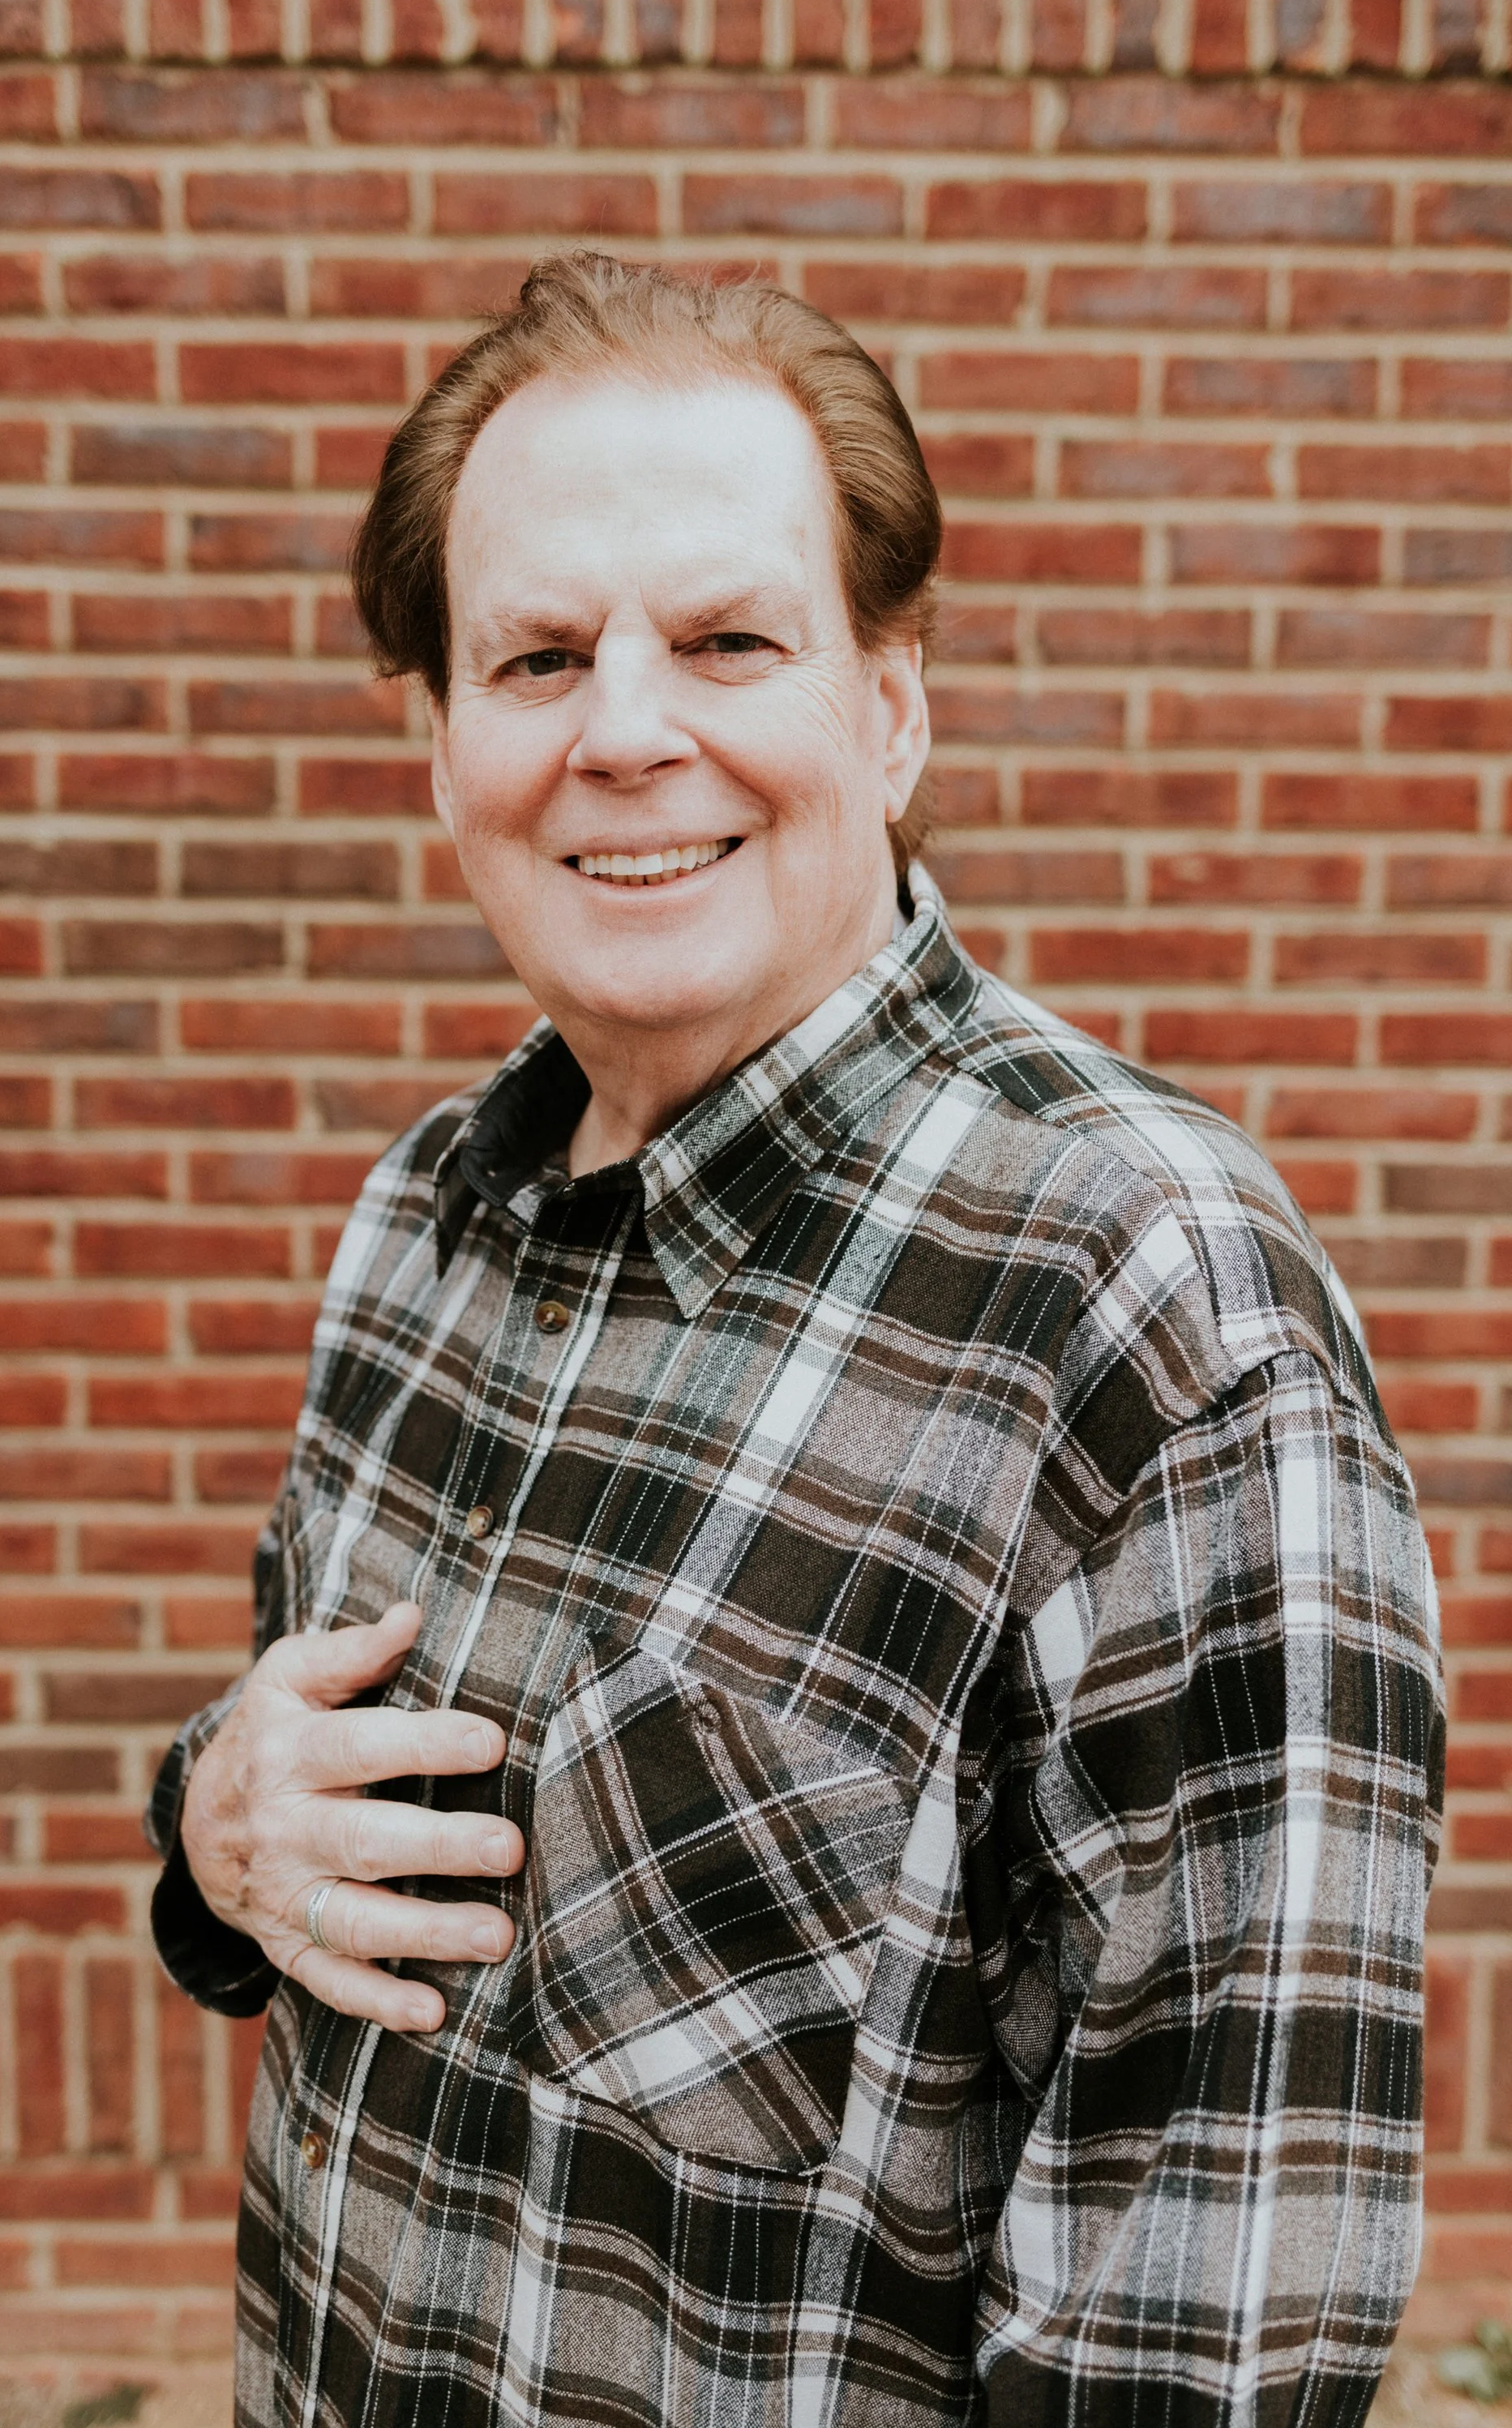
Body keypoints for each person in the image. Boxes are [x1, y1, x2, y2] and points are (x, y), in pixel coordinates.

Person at [148, 252, 1444, 2427]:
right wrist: (210, 1836)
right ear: (436, 739)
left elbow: (1205, 2332)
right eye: (539, 655)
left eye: (731, 640)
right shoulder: (421, 1223)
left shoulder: (1152, 1312)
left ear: (890, 708)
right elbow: (354, 1877)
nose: (627, 731)